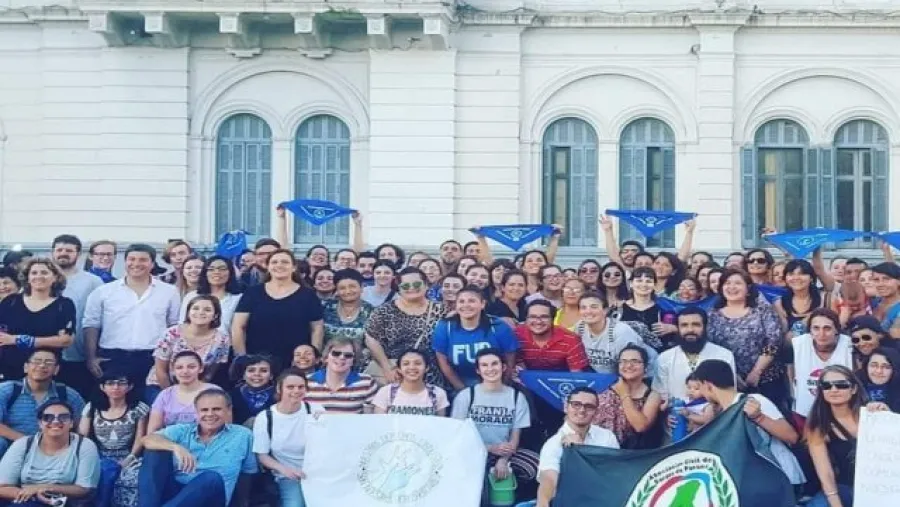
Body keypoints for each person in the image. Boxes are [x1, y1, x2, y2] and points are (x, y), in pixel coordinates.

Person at [83, 244, 181, 397]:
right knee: (113, 407)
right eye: (132, 259)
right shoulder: (104, 291)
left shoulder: (168, 292)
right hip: (112, 358)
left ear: (152, 264)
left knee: (150, 406)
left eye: (143, 260)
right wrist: (91, 358)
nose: (136, 264)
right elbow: (91, 324)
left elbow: (174, 325)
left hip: (153, 360)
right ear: (125, 262)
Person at [692, 360, 804, 488]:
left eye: (700, 387)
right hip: (755, 483)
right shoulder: (721, 412)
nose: (701, 393)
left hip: (781, 478)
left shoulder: (754, 400)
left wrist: (759, 417)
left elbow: (791, 436)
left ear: (707, 385)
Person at [139, 389, 256, 507]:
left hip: (211, 498)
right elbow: (147, 439)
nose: (210, 414)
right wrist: (176, 447)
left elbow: (247, 474)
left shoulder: (243, 435)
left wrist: (243, 503)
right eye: (204, 410)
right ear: (196, 412)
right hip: (176, 494)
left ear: (228, 410)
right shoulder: (183, 430)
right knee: (154, 452)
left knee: (211, 478)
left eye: (216, 409)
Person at [451, 349, 537, 497]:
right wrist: (489, 448)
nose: (490, 369)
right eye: (484, 365)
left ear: (503, 367)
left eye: (494, 364)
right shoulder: (466, 396)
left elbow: (515, 436)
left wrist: (504, 460)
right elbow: (458, 435)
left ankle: (512, 495)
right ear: (478, 370)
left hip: (504, 452)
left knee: (534, 465)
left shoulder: (517, 397)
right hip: (472, 452)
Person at [708, 268, 788, 411]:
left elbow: (774, 340)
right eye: (727, 283)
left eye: (738, 283)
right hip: (729, 382)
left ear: (748, 288)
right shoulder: (712, 314)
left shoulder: (762, 310)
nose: (732, 287)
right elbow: (710, 347)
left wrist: (756, 372)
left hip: (766, 379)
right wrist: (733, 375)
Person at [232, 249, 324, 369]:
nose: (279, 265)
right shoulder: (252, 293)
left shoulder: (308, 295)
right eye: (274, 262)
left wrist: (312, 359)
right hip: (258, 365)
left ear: (294, 267)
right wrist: (242, 359)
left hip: (296, 364)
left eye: (285, 262)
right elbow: (238, 327)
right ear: (268, 267)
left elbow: (317, 329)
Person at [0, 400, 100, 506]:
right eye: (48, 417)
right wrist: (33, 495)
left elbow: (84, 489)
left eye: (63, 417)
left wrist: (45, 488)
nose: (56, 421)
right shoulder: (23, 444)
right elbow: (2, 487)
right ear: (40, 423)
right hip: (25, 502)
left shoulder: (84, 445)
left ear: (71, 423)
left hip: (66, 502)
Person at [535, 387, 619, 507]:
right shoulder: (553, 444)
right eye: (576, 404)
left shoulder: (607, 437)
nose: (582, 410)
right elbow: (549, 479)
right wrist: (543, 503)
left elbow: (614, 473)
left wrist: (581, 449)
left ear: (596, 411)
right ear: (566, 407)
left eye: (589, 406)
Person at [805, 365, 873, 507]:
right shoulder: (818, 426)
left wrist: (886, 414)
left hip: (880, 486)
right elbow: (825, 474)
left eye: (841, 385)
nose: (834, 390)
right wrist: (836, 503)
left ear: (853, 389)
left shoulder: (872, 415)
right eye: (826, 386)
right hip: (845, 489)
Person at [365, 267, 445, 387]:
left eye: (416, 283)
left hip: (430, 375)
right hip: (394, 374)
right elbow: (371, 338)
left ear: (426, 285)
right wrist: (387, 368)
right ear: (399, 289)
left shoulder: (441, 310)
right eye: (406, 286)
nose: (412, 288)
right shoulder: (384, 311)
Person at [78, 373, 149, 507]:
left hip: (130, 457)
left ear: (130, 386)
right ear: (102, 387)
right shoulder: (92, 407)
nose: (116, 387)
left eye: (121, 383)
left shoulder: (139, 408)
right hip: (97, 456)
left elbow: (141, 437)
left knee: (132, 479)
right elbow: (83, 436)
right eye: (110, 383)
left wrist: (129, 459)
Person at [253, 369, 321, 507]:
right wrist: (284, 470)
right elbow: (262, 455)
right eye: (290, 387)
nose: (296, 391)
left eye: (301, 387)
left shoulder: (314, 410)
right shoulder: (265, 417)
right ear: (279, 388)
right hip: (287, 475)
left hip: (317, 472)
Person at [0, 258, 76, 382]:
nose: (39, 276)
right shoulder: (11, 302)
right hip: (10, 370)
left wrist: (17, 340)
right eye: (34, 273)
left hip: (46, 370)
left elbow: (65, 340)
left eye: (44, 272)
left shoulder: (64, 305)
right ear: (27, 278)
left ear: (55, 277)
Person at [0, 349, 85, 456]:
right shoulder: (6, 390)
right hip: (12, 447)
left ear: (56, 369)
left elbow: (81, 426)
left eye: (48, 363)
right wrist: (27, 442)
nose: (42, 366)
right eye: (36, 361)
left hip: (55, 449)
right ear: (26, 367)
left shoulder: (68, 394)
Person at [433, 286, 519, 391]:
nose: (466, 305)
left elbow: (509, 362)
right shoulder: (445, 327)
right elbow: (443, 363)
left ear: (482, 304)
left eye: (472, 301)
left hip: (495, 384)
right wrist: (463, 391)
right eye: (461, 301)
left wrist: (501, 387)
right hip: (458, 386)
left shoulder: (498, 326)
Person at [147, 295, 230, 403]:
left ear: (215, 315)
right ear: (188, 312)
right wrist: (172, 397)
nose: (201, 312)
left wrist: (195, 393)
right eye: (195, 308)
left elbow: (209, 373)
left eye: (207, 310)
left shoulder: (222, 340)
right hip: (161, 384)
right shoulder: (171, 333)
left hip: (196, 387)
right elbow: (161, 370)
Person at [52, 235, 104, 399]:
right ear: (52, 253)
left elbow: (98, 319)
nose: (63, 253)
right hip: (47, 355)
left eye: (69, 250)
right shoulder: (41, 279)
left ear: (78, 254)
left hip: (79, 355)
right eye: (59, 250)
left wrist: (92, 355)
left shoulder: (93, 282)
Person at [653, 308, 735, 403]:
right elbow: (660, 396)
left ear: (705, 327)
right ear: (678, 329)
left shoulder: (724, 355)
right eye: (684, 325)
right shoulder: (664, 358)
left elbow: (729, 396)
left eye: (696, 325)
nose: (690, 330)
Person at [790, 309, 853, 428]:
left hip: (842, 415)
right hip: (805, 414)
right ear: (810, 331)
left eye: (827, 328)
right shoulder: (798, 345)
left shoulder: (849, 346)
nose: (821, 334)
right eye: (816, 328)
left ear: (837, 330)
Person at [593, 345, 662, 449]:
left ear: (646, 367)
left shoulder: (653, 395)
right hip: (604, 449)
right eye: (623, 361)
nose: (629, 365)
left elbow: (640, 426)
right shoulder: (604, 389)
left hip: (637, 454)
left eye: (635, 361)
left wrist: (624, 394)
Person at [574, 292, 654, 375]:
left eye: (594, 307)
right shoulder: (580, 327)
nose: (588, 311)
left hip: (643, 373)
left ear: (605, 310)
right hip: (602, 376)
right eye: (583, 308)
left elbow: (631, 365)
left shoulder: (621, 331)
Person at [147, 352, 219, 433]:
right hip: (169, 443)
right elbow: (152, 432)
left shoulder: (214, 392)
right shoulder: (165, 395)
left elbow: (226, 429)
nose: (185, 371)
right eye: (179, 367)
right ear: (173, 370)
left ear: (201, 368)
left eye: (191, 367)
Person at [305, 338, 377, 414]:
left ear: (353, 361)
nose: (342, 357)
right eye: (336, 353)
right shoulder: (306, 382)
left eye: (348, 355)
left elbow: (371, 418)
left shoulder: (367, 383)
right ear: (326, 358)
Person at [515, 300, 589, 373]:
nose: (538, 321)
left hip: (562, 381)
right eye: (533, 317)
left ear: (553, 319)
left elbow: (577, 376)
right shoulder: (516, 335)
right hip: (525, 381)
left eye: (544, 317)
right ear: (526, 319)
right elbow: (518, 367)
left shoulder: (571, 339)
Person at [179, 255, 243, 338]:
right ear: (205, 273)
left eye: (222, 269)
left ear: (230, 272)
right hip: (193, 345)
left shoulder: (238, 299)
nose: (216, 272)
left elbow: (240, 328)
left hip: (227, 346)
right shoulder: (192, 296)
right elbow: (183, 324)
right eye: (211, 269)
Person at [322, 269, 374, 368]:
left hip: (361, 366)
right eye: (342, 288)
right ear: (336, 290)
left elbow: (373, 344)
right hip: (328, 365)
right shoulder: (325, 308)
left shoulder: (372, 312)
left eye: (352, 286)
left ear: (362, 287)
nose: (348, 291)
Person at [372, 349, 449, 416]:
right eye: (406, 364)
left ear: (426, 368)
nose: (412, 367)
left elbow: (439, 425)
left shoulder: (437, 394)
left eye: (418, 363)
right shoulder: (386, 393)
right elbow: (380, 424)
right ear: (399, 369)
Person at [230, 355, 276, 426]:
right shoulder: (231, 395)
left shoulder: (279, 394)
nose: (257, 374)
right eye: (251, 370)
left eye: (263, 371)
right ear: (244, 375)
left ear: (271, 376)